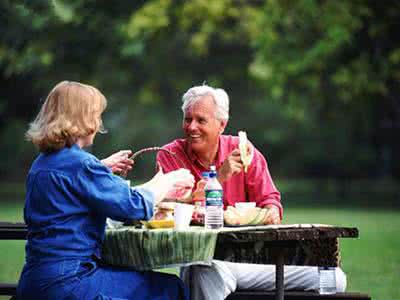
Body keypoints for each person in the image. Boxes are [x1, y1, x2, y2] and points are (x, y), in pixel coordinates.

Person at [156, 84, 347, 300]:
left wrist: (271, 212)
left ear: (222, 124)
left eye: (201, 120)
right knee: (200, 272)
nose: (191, 127)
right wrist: (219, 177)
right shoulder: (170, 155)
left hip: (254, 263)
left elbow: (271, 202)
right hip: (207, 260)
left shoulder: (245, 152)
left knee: (335, 278)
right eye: (188, 119)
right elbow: (166, 207)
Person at [17, 81, 194, 300]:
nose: (99, 122)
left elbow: (73, 190)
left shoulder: (42, 164)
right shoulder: (82, 165)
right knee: (170, 288)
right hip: (70, 282)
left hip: (34, 281)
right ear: (83, 118)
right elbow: (134, 206)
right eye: (96, 115)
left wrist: (100, 168)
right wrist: (169, 179)